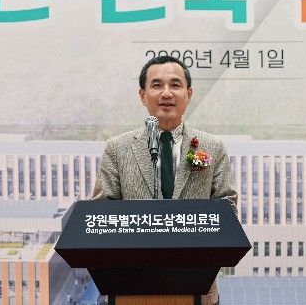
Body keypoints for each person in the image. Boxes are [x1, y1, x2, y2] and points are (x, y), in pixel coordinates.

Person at [93, 55, 237, 305]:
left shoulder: (212, 147)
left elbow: (228, 211)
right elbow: (101, 215)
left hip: (197, 286)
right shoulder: (117, 148)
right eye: (157, 85)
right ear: (142, 95)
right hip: (129, 285)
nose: (167, 93)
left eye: (175, 85)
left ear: (189, 94)